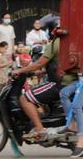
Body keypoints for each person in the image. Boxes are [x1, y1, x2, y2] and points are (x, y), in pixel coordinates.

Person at [12, 15, 67, 145]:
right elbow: (55, 64)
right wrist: (41, 71)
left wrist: (19, 70)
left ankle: (40, 129)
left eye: (48, 30)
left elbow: (38, 63)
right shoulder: (64, 43)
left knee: (24, 98)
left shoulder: (53, 44)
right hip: (63, 81)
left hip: (56, 84)